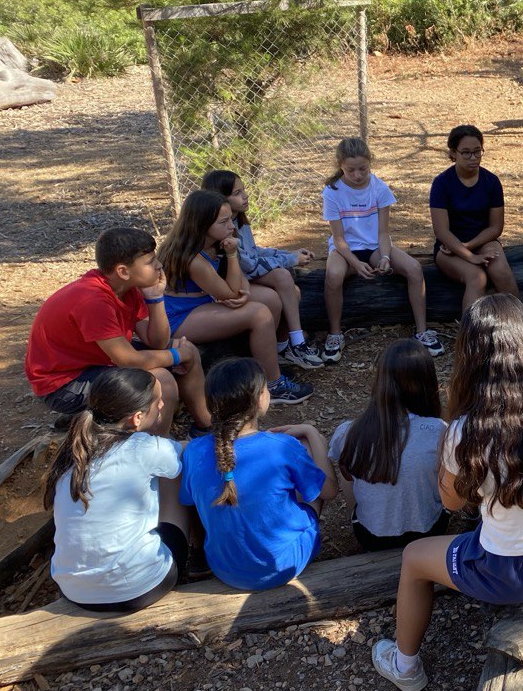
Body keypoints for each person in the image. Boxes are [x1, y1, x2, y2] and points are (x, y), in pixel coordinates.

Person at [371, 294, 523, 691]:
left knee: (413, 559)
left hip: (508, 572)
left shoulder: (467, 433)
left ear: (472, 357)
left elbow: (451, 503)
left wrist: (451, 436)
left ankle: (405, 666)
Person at [26, 227, 211, 435]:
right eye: (150, 262)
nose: (159, 265)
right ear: (123, 271)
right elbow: (130, 361)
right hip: (63, 385)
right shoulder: (94, 301)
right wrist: (176, 356)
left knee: (186, 350)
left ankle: (206, 427)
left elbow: (157, 342)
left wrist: (155, 298)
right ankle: (156, 450)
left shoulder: (127, 289)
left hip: (98, 363)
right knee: (161, 380)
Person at [179, 358, 337, 590]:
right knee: (307, 448)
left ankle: (198, 553)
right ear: (260, 398)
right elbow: (330, 491)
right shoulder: (282, 446)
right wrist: (313, 434)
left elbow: (190, 501)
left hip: (225, 567)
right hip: (285, 563)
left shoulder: (193, 451)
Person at [45, 368, 188, 612]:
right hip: (141, 587)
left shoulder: (73, 451)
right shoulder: (144, 448)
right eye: (159, 401)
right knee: (175, 472)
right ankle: (194, 557)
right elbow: (186, 454)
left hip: (74, 590)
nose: (163, 404)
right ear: (137, 418)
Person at [158, 190, 312, 404]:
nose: (231, 226)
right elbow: (230, 292)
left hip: (204, 302)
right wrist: (232, 256)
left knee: (270, 299)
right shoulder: (195, 259)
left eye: (230, 219)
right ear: (202, 225)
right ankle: (273, 385)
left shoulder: (215, 243)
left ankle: (266, 363)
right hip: (178, 317)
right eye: (224, 222)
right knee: (259, 313)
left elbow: (238, 286)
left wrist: (245, 291)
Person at [321, 137, 440, 363]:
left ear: (370, 164)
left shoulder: (379, 188)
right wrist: (355, 264)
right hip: (345, 251)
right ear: (340, 167)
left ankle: (422, 330)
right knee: (333, 276)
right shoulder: (332, 191)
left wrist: (385, 257)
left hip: (375, 246)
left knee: (414, 268)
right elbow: (338, 238)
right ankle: (335, 334)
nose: (357, 175)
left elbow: (383, 233)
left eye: (362, 169)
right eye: (350, 170)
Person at [329, 339, 449, 552]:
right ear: (428, 383)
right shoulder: (439, 430)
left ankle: (359, 515)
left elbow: (348, 475)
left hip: (370, 537)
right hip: (429, 532)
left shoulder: (348, 432)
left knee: (350, 466)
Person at [201, 169, 323, 369]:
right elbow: (249, 264)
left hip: (245, 279)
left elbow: (254, 251)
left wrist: (287, 253)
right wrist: (290, 259)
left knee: (294, 291)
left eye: (244, 190)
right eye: (237, 193)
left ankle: (283, 346)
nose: (245, 196)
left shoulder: (238, 220)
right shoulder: (222, 229)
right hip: (230, 285)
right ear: (220, 198)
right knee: (282, 280)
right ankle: (296, 343)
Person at [431, 125, 519, 310]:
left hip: (483, 240)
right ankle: (469, 335)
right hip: (448, 247)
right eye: (466, 153)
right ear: (453, 153)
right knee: (477, 277)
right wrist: (469, 256)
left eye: (477, 152)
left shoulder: (491, 181)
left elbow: (496, 227)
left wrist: (469, 246)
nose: (473, 158)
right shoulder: (441, 183)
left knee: (500, 270)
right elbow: (441, 231)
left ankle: (520, 324)